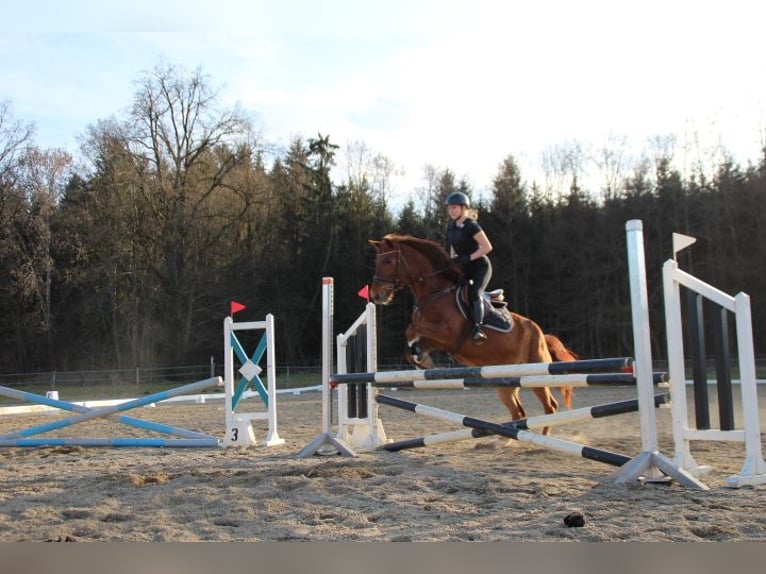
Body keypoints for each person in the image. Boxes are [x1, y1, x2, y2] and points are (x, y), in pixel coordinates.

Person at [444, 191, 493, 344]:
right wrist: (453, 261)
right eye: (449, 208)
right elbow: (453, 246)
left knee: (474, 293)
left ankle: (478, 328)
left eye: (454, 208)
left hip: (480, 267)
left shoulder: (471, 226)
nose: (451, 210)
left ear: (463, 208)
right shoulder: (451, 226)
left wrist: (469, 258)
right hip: (464, 268)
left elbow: (487, 247)